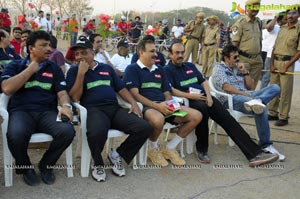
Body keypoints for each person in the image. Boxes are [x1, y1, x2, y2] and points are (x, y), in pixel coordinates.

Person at [164, 42, 279, 166]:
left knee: (228, 120)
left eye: (182, 52)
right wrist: (191, 96)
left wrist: (209, 96)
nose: (180, 55)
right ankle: (202, 150)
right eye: (177, 53)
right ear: (170, 54)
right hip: (188, 100)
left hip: (204, 97)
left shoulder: (190, 66)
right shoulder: (166, 70)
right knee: (202, 110)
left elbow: (203, 82)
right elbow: (171, 90)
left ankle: (255, 154)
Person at [66, 36, 152, 182]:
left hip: (114, 109)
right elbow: (74, 97)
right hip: (93, 110)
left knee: (144, 127)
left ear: (92, 53)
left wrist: (133, 103)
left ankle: (117, 155)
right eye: (77, 54)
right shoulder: (74, 71)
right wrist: (81, 74)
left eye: (83, 53)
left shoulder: (106, 68)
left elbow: (121, 88)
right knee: (96, 132)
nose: (80, 56)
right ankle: (98, 164)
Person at [0, 30, 75, 186]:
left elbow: (62, 92)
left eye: (49, 45)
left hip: (47, 112)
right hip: (21, 111)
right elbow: (6, 88)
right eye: (43, 45)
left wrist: (66, 105)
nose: (49, 49)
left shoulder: (53, 68)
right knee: (15, 135)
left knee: (67, 131)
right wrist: (30, 69)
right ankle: (26, 167)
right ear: (30, 48)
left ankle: (46, 165)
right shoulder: (15, 65)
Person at [123, 39, 202, 167]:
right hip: (146, 106)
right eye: (152, 51)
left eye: (156, 50)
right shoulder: (132, 69)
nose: (156, 54)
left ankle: (170, 147)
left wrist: (171, 105)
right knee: (158, 119)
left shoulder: (159, 69)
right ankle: (153, 148)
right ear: (141, 52)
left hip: (163, 105)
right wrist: (157, 106)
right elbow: (135, 95)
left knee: (196, 115)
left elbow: (166, 92)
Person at [211, 44, 285, 161]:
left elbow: (251, 87)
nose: (237, 59)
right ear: (226, 58)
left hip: (248, 96)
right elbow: (227, 88)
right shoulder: (219, 69)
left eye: (238, 57)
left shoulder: (238, 68)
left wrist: (245, 72)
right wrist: (245, 94)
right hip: (231, 98)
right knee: (261, 108)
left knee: (275, 87)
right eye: (234, 57)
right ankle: (266, 145)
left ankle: (257, 101)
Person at [268, 6, 300, 126]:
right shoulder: (282, 28)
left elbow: (299, 51)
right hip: (275, 62)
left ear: (298, 15)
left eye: (294, 13)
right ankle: (272, 113)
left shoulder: (298, 29)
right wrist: (271, 64)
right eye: (289, 13)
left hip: (288, 63)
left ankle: (283, 116)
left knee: (285, 91)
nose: (291, 16)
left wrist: (286, 66)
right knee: (273, 89)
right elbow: (274, 48)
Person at [231, 0, 263, 88]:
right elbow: (234, 44)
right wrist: (236, 61)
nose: (255, 9)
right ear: (247, 8)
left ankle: (251, 101)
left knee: (253, 87)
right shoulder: (240, 23)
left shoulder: (259, 22)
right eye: (253, 7)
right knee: (242, 87)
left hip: (257, 60)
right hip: (244, 60)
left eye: (257, 7)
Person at [260, 12, 287, 89]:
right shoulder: (275, 28)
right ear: (280, 20)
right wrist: (275, 17)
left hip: (283, 59)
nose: (287, 21)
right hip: (270, 58)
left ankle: (277, 98)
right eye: (285, 19)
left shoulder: (289, 29)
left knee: (280, 81)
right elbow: (268, 27)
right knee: (266, 78)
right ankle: (260, 97)